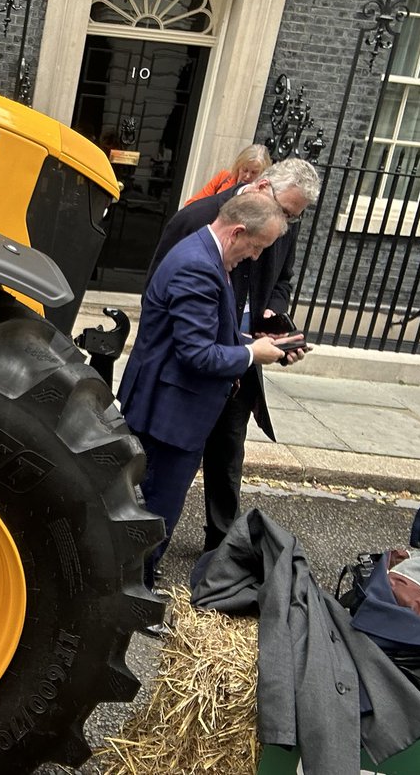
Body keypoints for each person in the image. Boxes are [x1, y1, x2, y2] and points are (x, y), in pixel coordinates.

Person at [120, 192, 299, 590]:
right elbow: (197, 354)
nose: (255, 257)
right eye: (256, 246)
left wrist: (261, 344)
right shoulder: (198, 267)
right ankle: (134, 592)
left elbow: (206, 330)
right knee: (158, 510)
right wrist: (252, 354)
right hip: (169, 411)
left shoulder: (202, 251)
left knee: (149, 507)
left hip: (169, 403)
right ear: (237, 232)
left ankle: (130, 581)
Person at [148, 157, 321, 553]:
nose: (287, 224)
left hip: (241, 354)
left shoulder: (281, 227)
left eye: (293, 218)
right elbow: (160, 290)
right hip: (197, 364)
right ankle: (144, 553)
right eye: (285, 212)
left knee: (227, 455)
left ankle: (219, 549)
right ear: (262, 188)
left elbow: (282, 281)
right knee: (171, 464)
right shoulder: (199, 219)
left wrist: (271, 320)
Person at [184, 143, 271, 205]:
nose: (248, 176)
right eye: (245, 170)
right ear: (238, 166)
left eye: (254, 172)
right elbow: (191, 204)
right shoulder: (224, 177)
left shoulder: (261, 197)